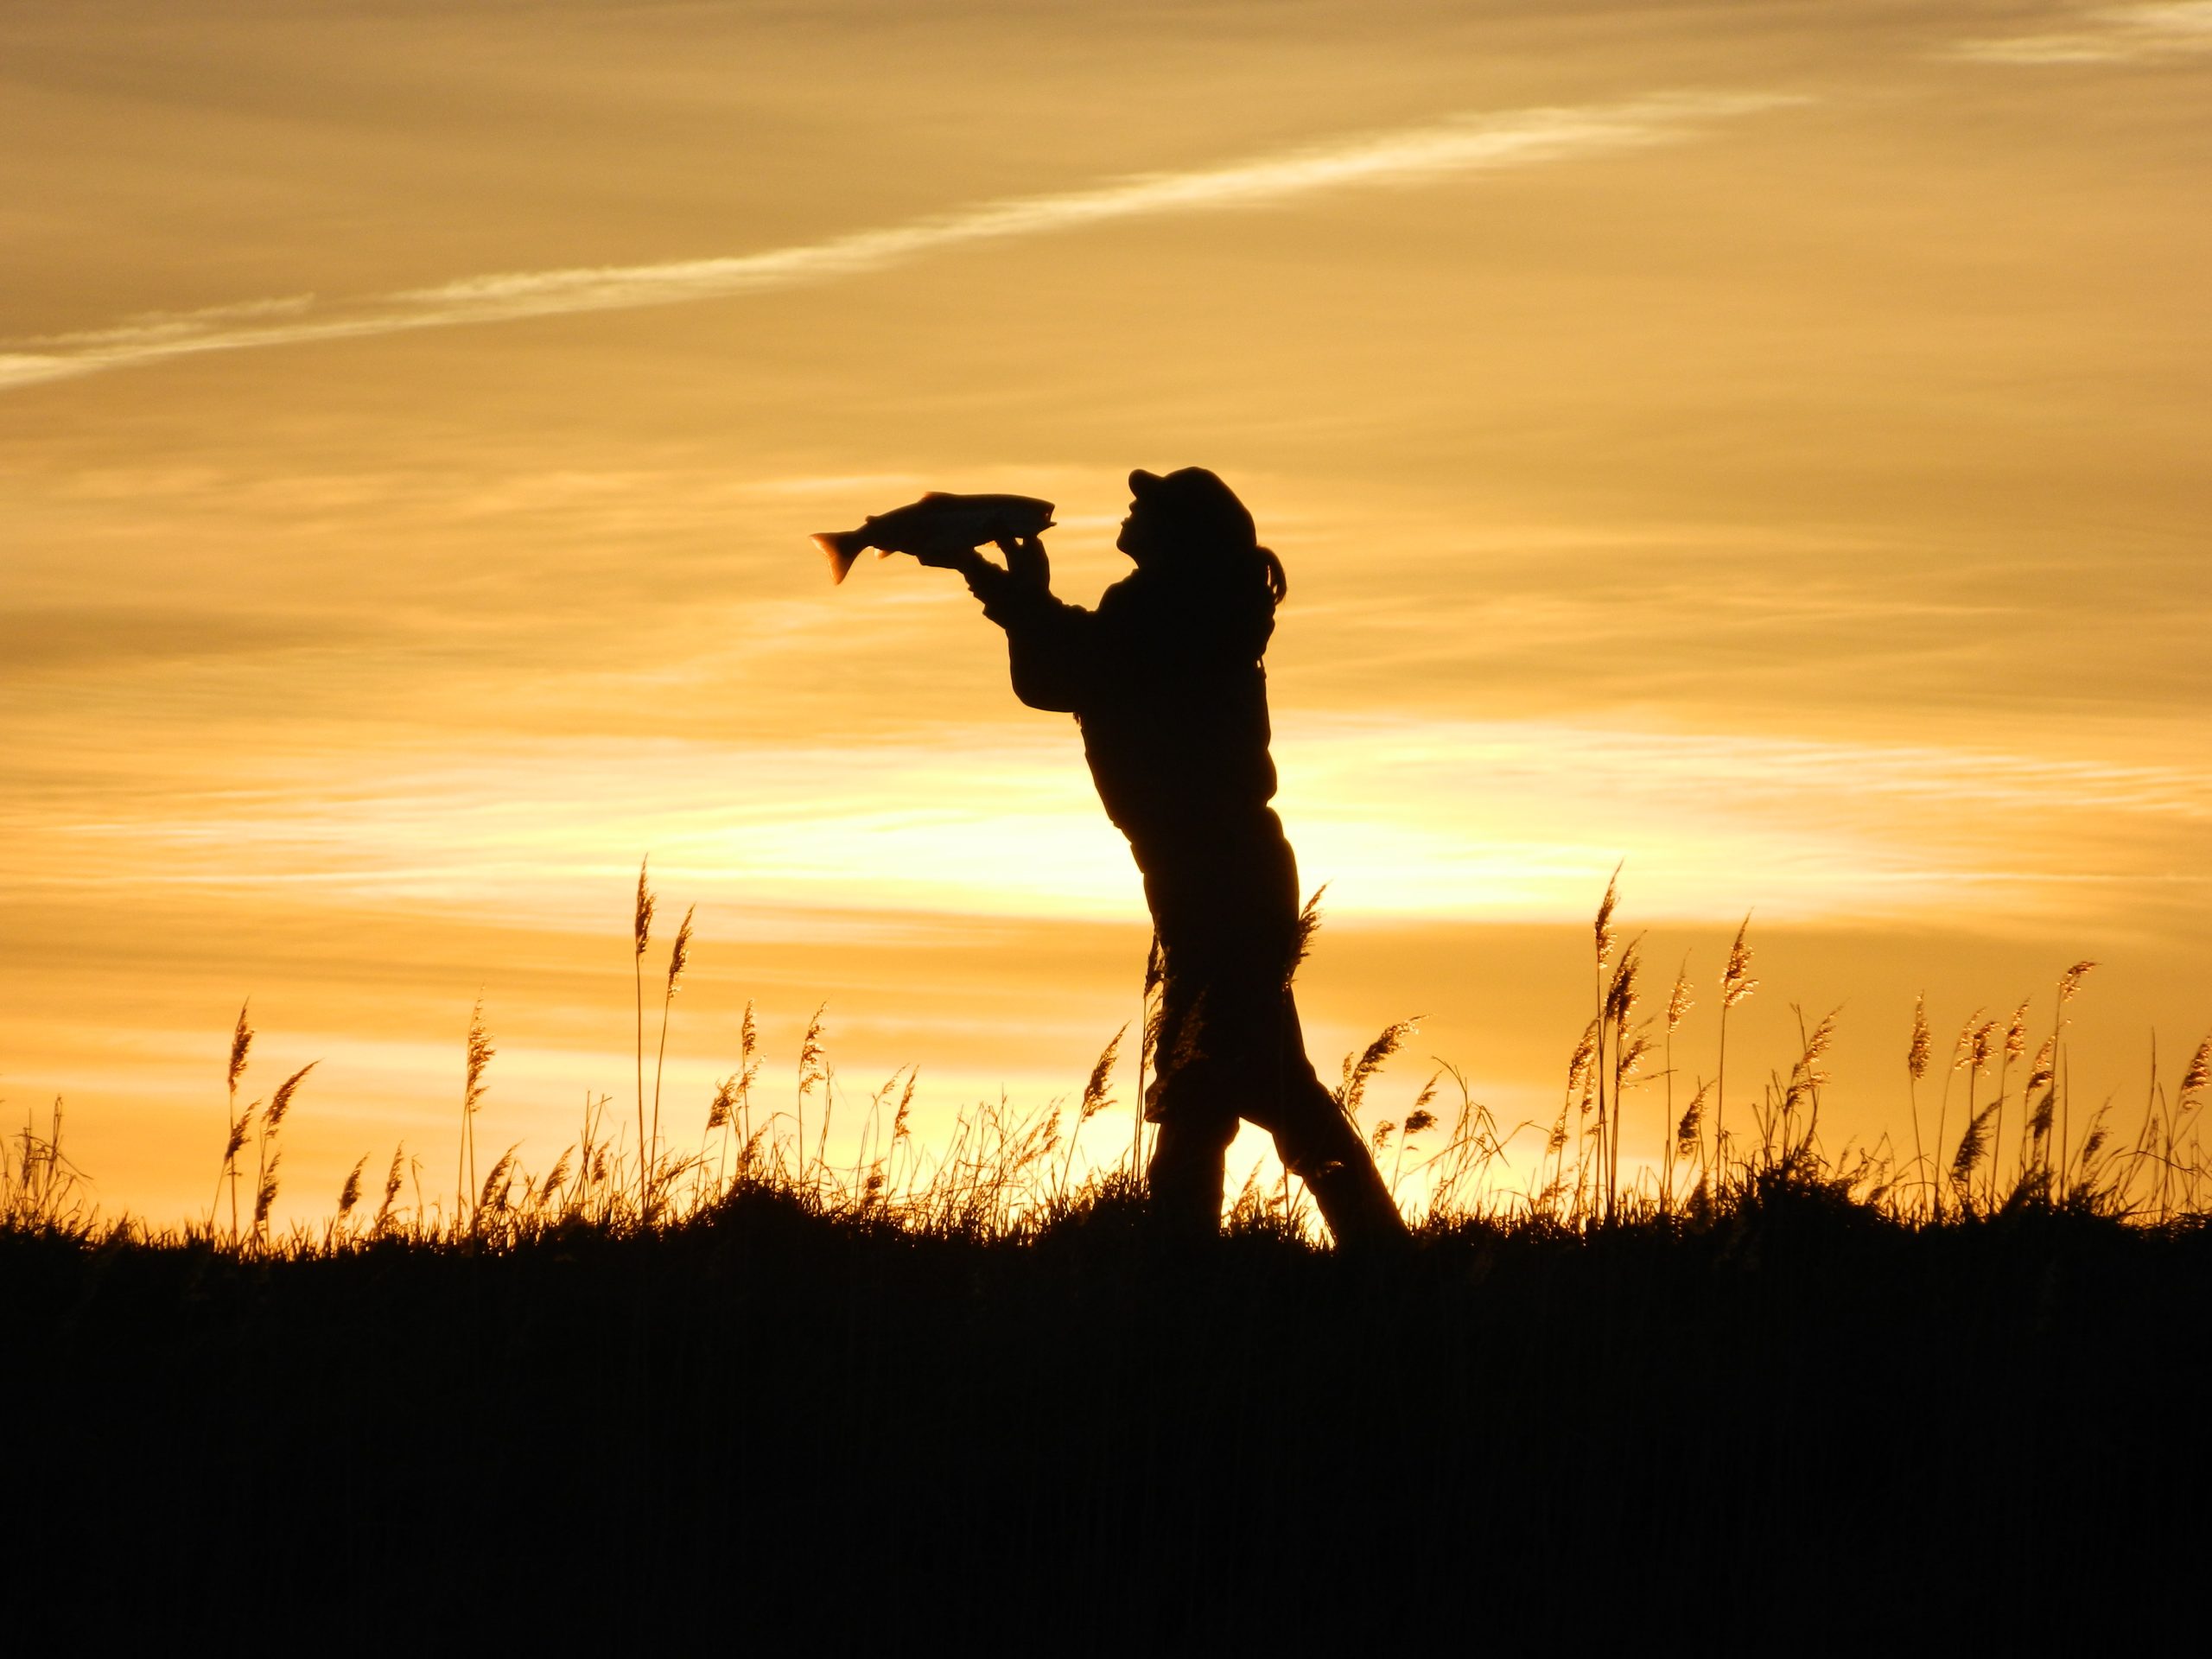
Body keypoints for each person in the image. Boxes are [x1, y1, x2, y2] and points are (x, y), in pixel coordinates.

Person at [921, 467, 1408, 1249]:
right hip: (1220, 871)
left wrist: (1005, 586)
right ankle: (1296, 1252)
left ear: (1179, 536)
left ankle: (1206, 1255)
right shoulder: (1188, 611)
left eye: (1150, 506)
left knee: (1224, 1085)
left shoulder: (1165, 611)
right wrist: (1002, 584)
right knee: (1230, 1083)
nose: (1132, 507)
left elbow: (1071, 670)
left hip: (1214, 874)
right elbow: (1074, 666)